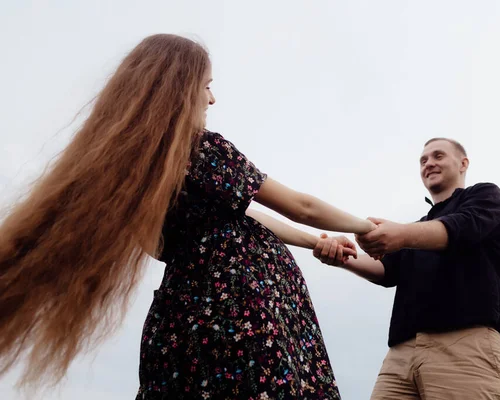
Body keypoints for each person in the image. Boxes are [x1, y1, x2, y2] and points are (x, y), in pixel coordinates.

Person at [0, 34, 371, 399]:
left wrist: (317, 242)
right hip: (246, 309)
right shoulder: (204, 149)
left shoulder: (130, 177)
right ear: (179, 86)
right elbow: (301, 206)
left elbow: (239, 217)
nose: (212, 98)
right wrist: (366, 227)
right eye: (206, 85)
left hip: (182, 320)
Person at [313, 138, 500, 399]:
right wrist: (342, 256)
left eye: (438, 156)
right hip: (400, 355)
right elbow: (385, 269)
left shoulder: (486, 197)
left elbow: (458, 228)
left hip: (466, 347)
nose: (429, 163)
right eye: (423, 160)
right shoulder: (417, 229)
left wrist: (401, 234)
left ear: (463, 163)